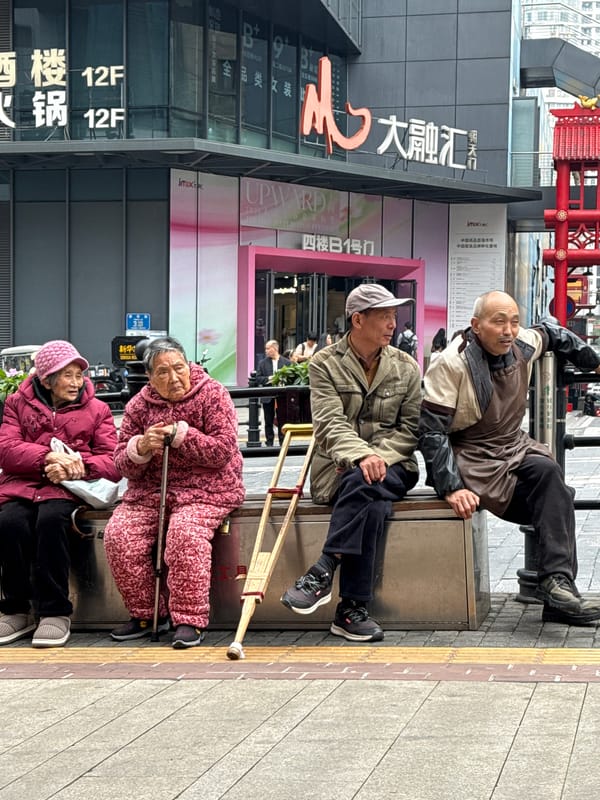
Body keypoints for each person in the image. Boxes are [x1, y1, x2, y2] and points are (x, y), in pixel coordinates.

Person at [419, 290, 600, 626]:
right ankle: (557, 590)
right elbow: (431, 432)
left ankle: (556, 583)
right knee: (557, 500)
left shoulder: (523, 344)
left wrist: (592, 360)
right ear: (476, 325)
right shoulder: (452, 362)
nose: (508, 330)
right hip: (471, 454)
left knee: (549, 473)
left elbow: (553, 333)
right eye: (498, 321)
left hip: (514, 445)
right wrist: (450, 486)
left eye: (514, 321)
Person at [280, 283, 421, 641]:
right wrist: (362, 454)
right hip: (338, 471)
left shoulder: (406, 366)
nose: (393, 324)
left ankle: (324, 568)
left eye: (394, 316)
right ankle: (350, 610)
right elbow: (329, 423)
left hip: (395, 469)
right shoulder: (324, 364)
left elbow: (410, 430)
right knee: (371, 502)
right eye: (385, 316)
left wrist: (379, 456)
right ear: (358, 320)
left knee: (368, 481)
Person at [104, 336, 245, 648]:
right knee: (119, 534)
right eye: (163, 372)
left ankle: (189, 619)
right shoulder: (139, 406)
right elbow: (122, 464)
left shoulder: (212, 394)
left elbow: (223, 450)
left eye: (178, 368)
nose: (174, 377)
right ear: (151, 377)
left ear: (189, 365)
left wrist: (183, 435)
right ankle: (147, 613)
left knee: (184, 535)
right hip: (151, 492)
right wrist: (139, 447)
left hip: (207, 490)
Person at [0, 340, 120, 648]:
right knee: (10, 523)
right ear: (47, 378)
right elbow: (7, 449)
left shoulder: (98, 409)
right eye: (67, 375)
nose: (76, 381)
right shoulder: (16, 403)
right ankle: (16, 609)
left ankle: (55, 611)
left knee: (51, 522)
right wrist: (47, 459)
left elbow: (112, 460)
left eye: (79, 374)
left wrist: (77, 466)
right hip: (23, 484)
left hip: (67, 490)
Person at [255, 340, 291, 447]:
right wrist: (268, 379)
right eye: (265, 348)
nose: (266, 351)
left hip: (281, 396)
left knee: (282, 420)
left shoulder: (286, 362)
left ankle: (282, 442)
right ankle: (269, 442)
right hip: (268, 395)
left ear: (275, 349)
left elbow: (291, 377)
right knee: (268, 420)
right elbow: (258, 378)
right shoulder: (263, 363)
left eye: (268, 348)